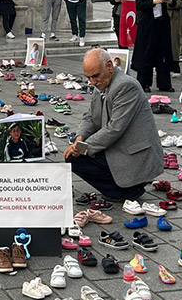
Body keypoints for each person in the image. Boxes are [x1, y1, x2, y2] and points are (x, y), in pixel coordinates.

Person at [64, 48, 164, 201]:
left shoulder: (125, 86)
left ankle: (127, 189)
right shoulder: (102, 84)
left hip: (134, 155)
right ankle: (123, 186)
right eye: (89, 77)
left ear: (109, 66)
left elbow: (114, 128)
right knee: (73, 157)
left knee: (78, 156)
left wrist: (84, 147)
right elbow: (90, 117)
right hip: (119, 147)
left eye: (95, 76)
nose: (92, 82)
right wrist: (79, 139)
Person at [130, 0, 174, 92]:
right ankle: (144, 83)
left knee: (163, 54)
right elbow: (139, 4)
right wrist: (153, 2)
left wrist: (170, 1)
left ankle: (164, 84)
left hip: (162, 24)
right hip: (147, 25)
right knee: (146, 54)